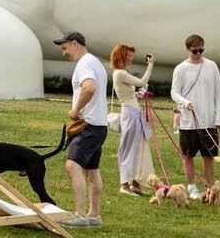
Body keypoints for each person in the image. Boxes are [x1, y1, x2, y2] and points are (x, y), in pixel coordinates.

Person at [55, 32, 106, 228]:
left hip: (88, 125)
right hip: (99, 125)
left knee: (72, 166)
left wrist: (76, 110)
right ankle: (94, 216)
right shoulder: (95, 62)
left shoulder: (85, 63)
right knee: (92, 170)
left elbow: (89, 88)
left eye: (65, 47)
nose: (63, 52)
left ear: (75, 43)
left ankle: (81, 215)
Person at [170, 34, 220, 201]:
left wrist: (219, 119)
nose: (198, 54)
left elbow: (219, 94)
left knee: (209, 155)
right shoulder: (180, 69)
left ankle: (209, 187)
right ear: (187, 49)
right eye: (195, 51)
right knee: (188, 155)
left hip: (208, 120)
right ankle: (192, 186)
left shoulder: (212, 66)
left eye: (201, 50)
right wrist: (185, 103)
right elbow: (174, 92)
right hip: (188, 121)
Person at [110, 43, 154, 196]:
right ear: (121, 57)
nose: (130, 59)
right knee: (129, 149)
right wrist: (150, 65)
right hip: (130, 114)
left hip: (133, 112)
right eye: (128, 56)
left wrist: (137, 95)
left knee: (137, 148)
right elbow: (141, 82)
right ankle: (124, 185)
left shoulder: (121, 74)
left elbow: (126, 94)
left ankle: (135, 182)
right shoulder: (120, 73)